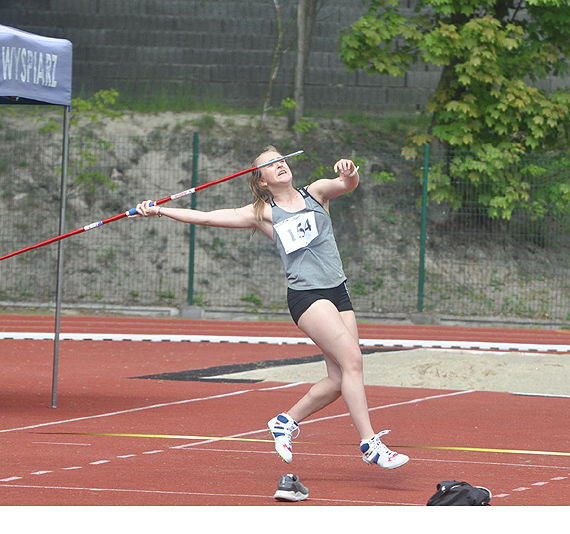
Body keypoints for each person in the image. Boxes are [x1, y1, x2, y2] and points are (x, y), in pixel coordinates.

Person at [134, 146, 409, 470]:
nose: (279, 166)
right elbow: (207, 217)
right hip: (307, 296)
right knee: (353, 361)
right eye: (269, 165)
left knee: (339, 379)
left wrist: (350, 172)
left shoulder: (317, 193)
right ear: (262, 181)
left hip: (338, 290)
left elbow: (347, 184)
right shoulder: (261, 213)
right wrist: (161, 210)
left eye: (280, 160)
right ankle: (369, 443)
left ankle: (285, 422)